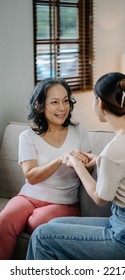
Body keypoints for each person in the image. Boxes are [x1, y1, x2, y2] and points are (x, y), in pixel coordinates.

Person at [26, 72, 125, 260]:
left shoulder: (114, 151)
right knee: (54, 224)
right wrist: (97, 159)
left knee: (42, 237)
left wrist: (77, 164)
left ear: (100, 103)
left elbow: (99, 198)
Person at [0, 77, 91, 260]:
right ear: (40, 106)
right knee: (3, 221)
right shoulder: (27, 136)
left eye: (65, 101)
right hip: (28, 197)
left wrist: (80, 163)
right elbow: (31, 177)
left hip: (64, 202)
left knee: (38, 221)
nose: (62, 108)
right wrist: (59, 160)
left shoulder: (79, 131)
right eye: (54, 102)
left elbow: (88, 171)